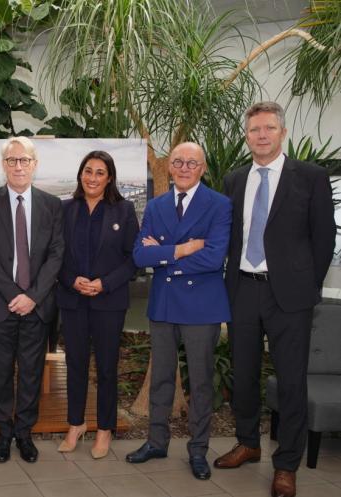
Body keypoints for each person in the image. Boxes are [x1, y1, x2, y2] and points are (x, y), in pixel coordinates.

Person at [215, 102, 336, 497]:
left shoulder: (311, 177)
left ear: (282, 132)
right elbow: (231, 237)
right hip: (243, 290)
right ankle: (248, 443)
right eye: (254, 129)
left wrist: (307, 284)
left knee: (291, 382)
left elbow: (324, 238)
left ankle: (287, 465)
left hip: (291, 296)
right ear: (246, 135)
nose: (261, 135)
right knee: (244, 375)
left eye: (269, 128)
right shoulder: (234, 180)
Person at [126, 142, 232, 481]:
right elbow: (140, 257)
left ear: (202, 168)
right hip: (164, 305)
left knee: (200, 383)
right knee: (160, 379)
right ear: (170, 167)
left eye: (192, 162)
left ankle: (198, 450)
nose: (184, 167)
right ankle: (156, 441)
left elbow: (214, 258)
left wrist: (165, 255)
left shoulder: (219, 205)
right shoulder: (156, 206)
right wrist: (185, 249)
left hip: (202, 306)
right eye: (178, 162)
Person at [0, 136, 64, 463]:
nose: (18, 166)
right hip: (1, 305)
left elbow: (56, 255)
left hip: (37, 307)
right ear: (3, 165)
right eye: (12, 160)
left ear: (34, 164)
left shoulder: (52, 205)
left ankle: (24, 433)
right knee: (0, 372)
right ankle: (3, 432)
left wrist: (32, 297)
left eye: (24, 160)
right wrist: (15, 296)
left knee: (30, 372)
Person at [56, 150, 139, 458]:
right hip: (73, 300)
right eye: (88, 171)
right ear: (80, 175)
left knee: (106, 368)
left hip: (109, 301)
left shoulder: (124, 210)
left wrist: (105, 283)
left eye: (99, 172)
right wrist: (70, 279)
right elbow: (54, 255)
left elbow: (135, 260)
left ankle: (104, 430)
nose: (92, 177)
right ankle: (75, 424)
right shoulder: (65, 209)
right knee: (75, 365)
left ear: (110, 178)